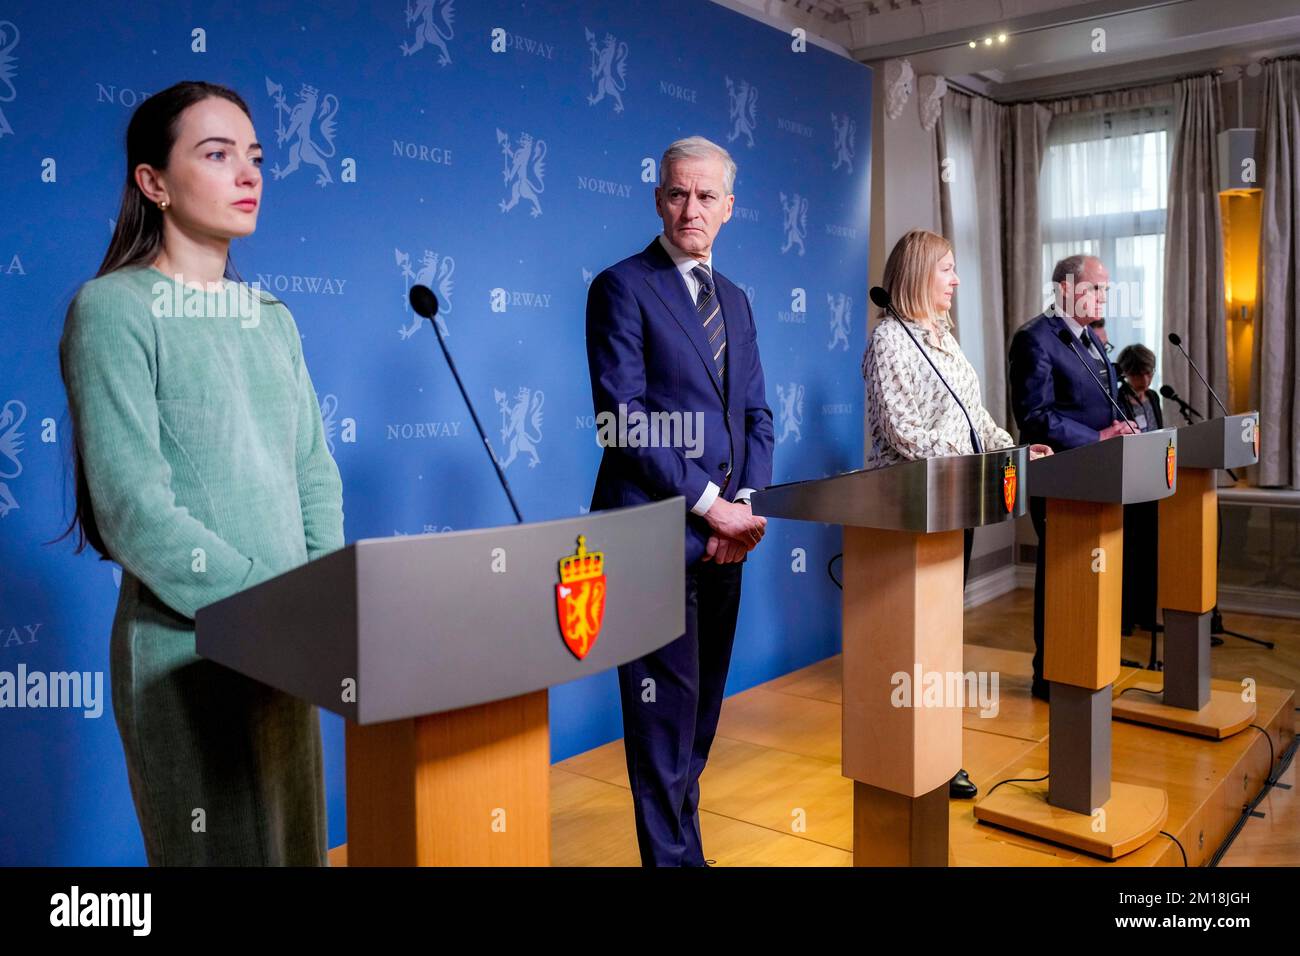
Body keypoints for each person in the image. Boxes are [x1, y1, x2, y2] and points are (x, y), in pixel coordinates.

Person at [59, 81, 344, 865]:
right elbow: (132, 511)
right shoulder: (113, 310)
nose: (248, 174)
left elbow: (314, 475)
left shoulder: (274, 318)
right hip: (189, 659)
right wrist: (274, 610)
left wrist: (318, 609)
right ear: (153, 182)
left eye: (254, 157)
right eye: (216, 155)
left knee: (295, 854)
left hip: (290, 649)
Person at [585, 136, 773, 866]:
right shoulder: (622, 287)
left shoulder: (738, 300)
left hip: (731, 539)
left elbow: (757, 413)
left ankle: (682, 853)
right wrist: (707, 504)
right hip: (653, 538)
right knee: (662, 728)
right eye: (675, 193)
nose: (689, 208)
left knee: (697, 723)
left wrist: (745, 504)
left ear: (729, 207)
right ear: (658, 198)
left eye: (705, 196)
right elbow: (620, 418)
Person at [862, 229, 1051, 798]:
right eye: (948, 269)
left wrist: (1012, 448)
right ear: (920, 273)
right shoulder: (891, 341)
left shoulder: (942, 337)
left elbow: (975, 415)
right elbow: (905, 435)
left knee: (942, 638)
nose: (957, 280)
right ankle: (905, 753)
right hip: (912, 510)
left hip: (954, 503)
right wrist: (980, 455)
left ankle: (941, 754)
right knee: (913, 642)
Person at [1009, 254, 1135, 702]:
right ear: (1065, 288)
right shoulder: (1035, 338)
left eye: (1106, 287)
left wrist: (1126, 426)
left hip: (1098, 476)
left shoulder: (1093, 340)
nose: (1104, 295)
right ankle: (1049, 673)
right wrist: (1099, 435)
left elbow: (1105, 402)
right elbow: (1034, 416)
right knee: (1061, 571)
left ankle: (1084, 665)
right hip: (1060, 476)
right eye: (1096, 287)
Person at [1115, 343, 1164, 636]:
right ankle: (1124, 617)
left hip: (1152, 482)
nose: (1144, 380)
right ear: (1126, 374)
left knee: (1149, 552)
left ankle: (1146, 614)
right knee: (1128, 554)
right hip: (1128, 482)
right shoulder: (1118, 397)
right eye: (1137, 374)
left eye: (1148, 373)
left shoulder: (1155, 397)